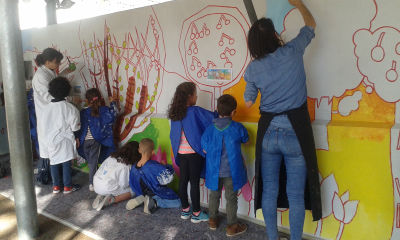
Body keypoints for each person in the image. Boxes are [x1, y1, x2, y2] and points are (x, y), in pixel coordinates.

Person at [244, 1, 322, 240]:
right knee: (296, 193)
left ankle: (272, 237)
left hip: (268, 134)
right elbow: (311, 24)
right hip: (295, 131)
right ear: (276, 35)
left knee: (269, 190)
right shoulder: (293, 50)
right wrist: (299, 4)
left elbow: (248, 101)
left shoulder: (253, 68)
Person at [168, 82, 217, 223]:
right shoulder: (195, 111)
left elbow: (174, 135)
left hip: (181, 153)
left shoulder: (175, 113)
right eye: (195, 94)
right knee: (194, 182)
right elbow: (212, 118)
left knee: (183, 181)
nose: (196, 97)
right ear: (190, 97)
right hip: (194, 154)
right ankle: (196, 213)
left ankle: (185, 210)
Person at [201, 94, 249, 237]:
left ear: (217, 110)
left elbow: (204, 148)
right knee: (231, 198)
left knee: (214, 196)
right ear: (233, 112)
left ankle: (212, 220)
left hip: (214, 171)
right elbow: (246, 140)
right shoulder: (238, 127)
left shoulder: (209, 129)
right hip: (231, 171)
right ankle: (232, 226)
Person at [32, 48, 74, 164]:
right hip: (47, 114)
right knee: (51, 150)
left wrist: (65, 72)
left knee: (58, 149)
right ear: (47, 61)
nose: (59, 64)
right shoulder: (40, 76)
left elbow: (54, 81)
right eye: (57, 62)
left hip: (54, 113)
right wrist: (71, 99)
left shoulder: (48, 71)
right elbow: (52, 96)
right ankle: (49, 175)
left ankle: (59, 175)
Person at [41, 77, 80, 194]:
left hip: (50, 140)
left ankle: (56, 186)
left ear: (51, 91)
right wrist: (77, 137)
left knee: (53, 161)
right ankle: (67, 186)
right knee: (66, 161)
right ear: (67, 91)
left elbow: (43, 126)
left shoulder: (45, 109)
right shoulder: (70, 108)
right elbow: (75, 127)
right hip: (66, 140)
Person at [126, 138, 180, 214]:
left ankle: (142, 198)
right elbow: (168, 178)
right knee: (178, 202)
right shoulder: (154, 166)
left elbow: (132, 183)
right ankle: (155, 202)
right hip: (154, 193)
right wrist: (165, 166)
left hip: (140, 192)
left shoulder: (134, 166)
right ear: (152, 151)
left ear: (139, 150)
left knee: (146, 193)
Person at [79, 88, 118, 192]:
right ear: (100, 98)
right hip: (95, 141)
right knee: (92, 163)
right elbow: (113, 114)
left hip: (84, 142)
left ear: (87, 100)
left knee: (91, 162)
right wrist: (113, 102)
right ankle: (92, 183)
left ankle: (94, 180)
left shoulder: (83, 112)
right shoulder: (104, 109)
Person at [92, 141, 141, 211]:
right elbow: (124, 184)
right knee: (133, 190)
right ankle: (112, 199)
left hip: (96, 183)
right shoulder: (126, 165)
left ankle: (101, 195)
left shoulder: (112, 157)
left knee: (110, 184)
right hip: (106, 187)